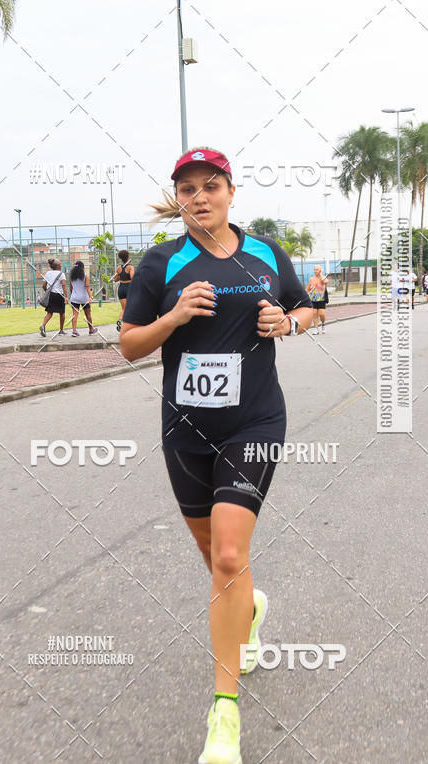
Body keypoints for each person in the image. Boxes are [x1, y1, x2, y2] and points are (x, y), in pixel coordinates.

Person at [119, 147, 313, 764]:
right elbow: (128, 345)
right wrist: (173, 317)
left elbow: (310, 306)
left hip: (255, 420)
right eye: (187, 189)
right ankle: (249, 608)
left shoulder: (264, 254)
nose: (199, 197)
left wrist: (290, 323)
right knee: (215, 559)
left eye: (211, 186)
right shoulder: (161, 264)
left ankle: (223, 715)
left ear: (231, 192)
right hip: (185, 432)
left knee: (230, 551)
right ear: (178, 199)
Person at [39, 258, 69, 337]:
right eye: (60, 265)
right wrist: (66, 297)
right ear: (58, 266)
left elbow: (44, 285)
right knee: (62, 313)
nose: (61, 266)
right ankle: (61, 330)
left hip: (51, 294)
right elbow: (63, 286)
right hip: (59, 295)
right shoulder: (61, 274)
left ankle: (43, 325)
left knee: (50, 312)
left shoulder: (48, 273)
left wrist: (47, 292)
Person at [68, 260, 98, 336]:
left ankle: (74, 331)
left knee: (74, 315)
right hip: (84, 298)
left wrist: (74, 294)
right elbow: (87, 287)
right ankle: (91, 329)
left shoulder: (71, 276)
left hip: (74, 298)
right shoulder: (86, 275)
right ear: (83, 267)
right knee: (88, 314)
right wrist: (90, 297)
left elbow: (70, 288)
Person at [113, 249, 135, 332]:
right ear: (128, 257)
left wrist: (119, 274)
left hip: (121, 288)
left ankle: (120, 320)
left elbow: (115, 279)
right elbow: (133, 278)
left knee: (124, 309)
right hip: (129, 287)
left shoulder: (119, 268)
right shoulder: (130, 267)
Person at [306, 265, 329, 334]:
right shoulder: (311, 279)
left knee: (321, 314)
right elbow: (307, 288)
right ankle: (316, 329)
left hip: (321, 299)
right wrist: (307, 292)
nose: (315, 271)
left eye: (317, 269)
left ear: (320, 270)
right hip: (313, 299)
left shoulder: (323, 278)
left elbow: (325, 281)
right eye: (314, 269)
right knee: (314, 313)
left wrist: (321, 277)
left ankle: (323, 324)